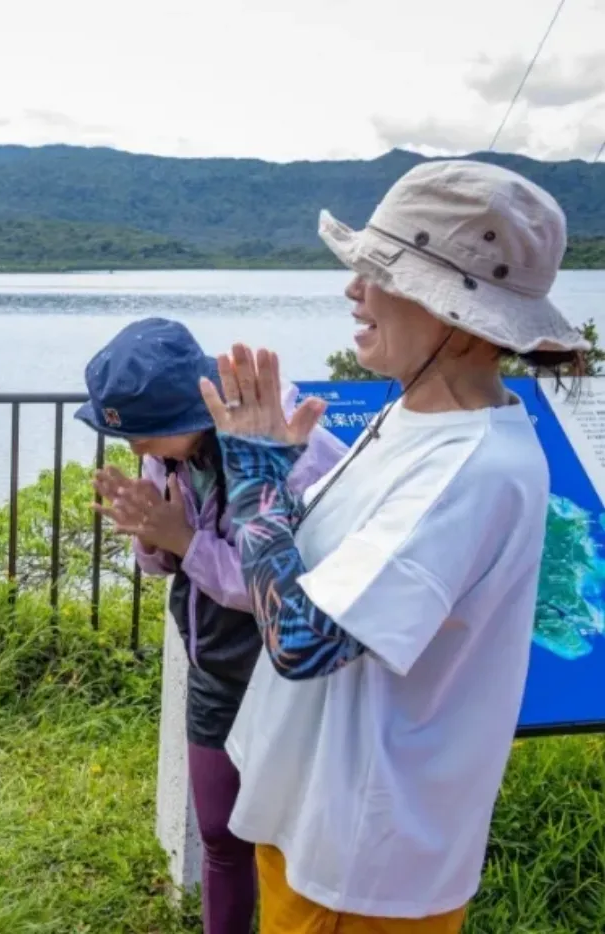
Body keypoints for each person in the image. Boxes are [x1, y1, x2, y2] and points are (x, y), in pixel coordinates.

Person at [192, 160, 587, 933]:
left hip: (359, 867)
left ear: (455, 313)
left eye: (378, 271)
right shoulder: (414, 418)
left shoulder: (474, 468)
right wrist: (272, 478)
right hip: (316, 822)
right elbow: (317, 562)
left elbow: (303, 641)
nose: (354, 290)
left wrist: (254, 484)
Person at [80, 317, 346, 934]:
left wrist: (183, 539)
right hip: (214, 669)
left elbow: (288, 589)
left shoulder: (293, 454)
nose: (133, 451)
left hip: (284, 676)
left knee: (284, 836)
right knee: (218, 831)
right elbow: (164, 562)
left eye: (143, 437)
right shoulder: (171, 457)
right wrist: (150, 535)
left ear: (183, 416)